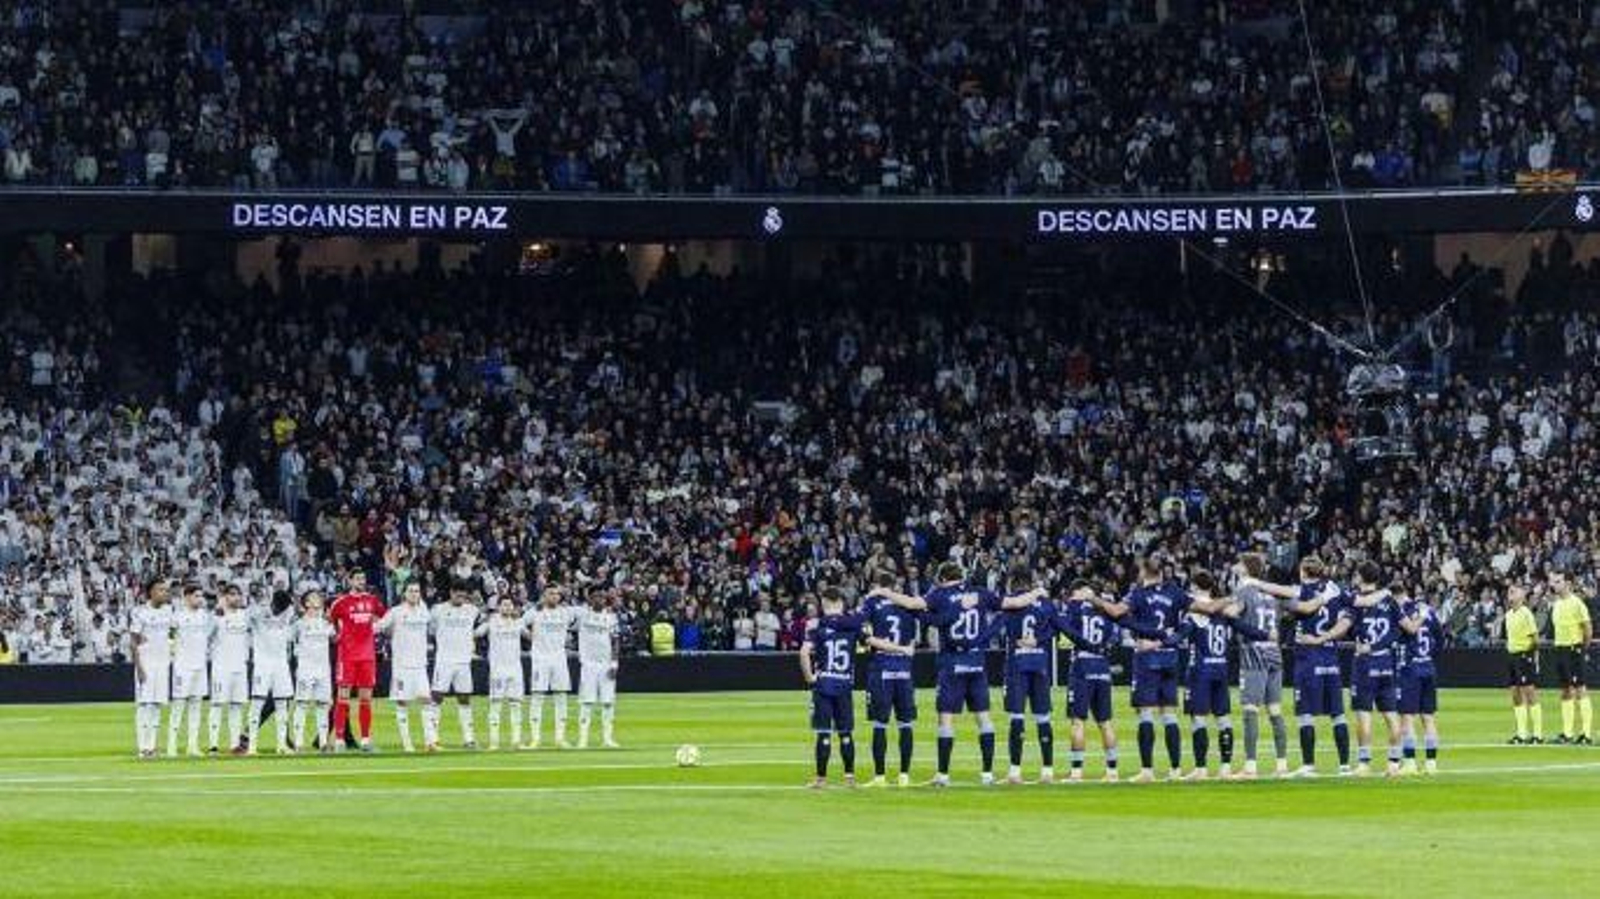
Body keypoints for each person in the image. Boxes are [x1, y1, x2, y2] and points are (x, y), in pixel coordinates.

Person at [869, 562, 1047, 787]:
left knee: (946, 718)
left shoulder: (940, 595)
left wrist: (885, 592)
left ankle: (943, 775)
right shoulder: (980, 593)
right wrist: (1037, 592)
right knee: (983, 718)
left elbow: (913, 603)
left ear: (943, 577)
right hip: (976, 662)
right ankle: (987, 775)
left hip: (952, 662)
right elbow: (1014, 602)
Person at [1098, 557, 1235, 782]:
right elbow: (1210, 607)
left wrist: (1094, 599)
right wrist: (1232, 596)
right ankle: (1175, 770)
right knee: (1169, 715)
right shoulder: (1176, 592)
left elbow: (1115, 612)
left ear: (1144, 572)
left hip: (1146, 656)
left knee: (1146, 714)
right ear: (1162, 572)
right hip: (1170, 659)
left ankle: (1147, 771)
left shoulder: (1138, 594)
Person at [1244, 557, 1353, 777]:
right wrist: (1325, 637)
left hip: (1307, 657)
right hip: (1331, 657)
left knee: (1305, 713)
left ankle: (1308, 765)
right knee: (1338, 714)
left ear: (1303, 571)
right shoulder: (1334, 593)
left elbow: (1279, 589)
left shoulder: (1300, 591)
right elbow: (1345, 623)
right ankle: (1344, 766)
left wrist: (1255, 582)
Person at [1167, 572, 1271, 780]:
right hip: (1221, 669)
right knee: (1223, 719)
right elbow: (1244, 628)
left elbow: (1180, 637)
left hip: (1200, 671)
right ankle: (1225, 767)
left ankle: (1201, 769)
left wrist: (1161, 640)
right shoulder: (1223, 611)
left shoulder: (1195, 612)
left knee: (1199, 719)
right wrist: (1267, 635)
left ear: (1195, 587)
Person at [987, 573, 1062, 784]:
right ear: (1030, 585)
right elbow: (1057, 628)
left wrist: (975, 641)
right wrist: (1039, 639)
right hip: (1039, 664)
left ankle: (1014, 772)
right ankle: (1047, 771)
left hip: (1016, 665)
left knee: (1017, 717)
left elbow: (994, 629)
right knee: (1043, 717)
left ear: (1013, 584)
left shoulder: (1011, 604)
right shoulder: (1045, 604)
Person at [1340, 562, 1409, 777]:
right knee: (1391, 715)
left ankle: (1363, 763)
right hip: (1387, 663)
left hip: (1365, 662)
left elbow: (1346, 627)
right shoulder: (1389, 600)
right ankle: (1394, 763)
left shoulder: (1357, 601)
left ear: (1361, 577)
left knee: (1364, 715)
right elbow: (1403, 629)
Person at [1054, 581, 1121, 782]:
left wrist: (1075, 602)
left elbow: (1067, 629)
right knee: (1105, 722)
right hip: (1102, 665)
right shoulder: (1105, 609)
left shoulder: (1075, 608)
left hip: (1082, 665)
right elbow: (1113, 637)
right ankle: (1112, 772)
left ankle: (1076, 772)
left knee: (1077, 721)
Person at [799, 586, 865, 788]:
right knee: (845, 733)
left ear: (825, 602)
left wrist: (810, 678)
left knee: (824, 732)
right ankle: (850, 778)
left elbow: (803, 653)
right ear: (842, 602)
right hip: (845, 683)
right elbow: (866, 644)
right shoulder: (853, 625)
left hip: (824, 683)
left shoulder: (816, 625)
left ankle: (821, 779)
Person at [1233, 554, 1290, 779]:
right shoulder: (1271, 594)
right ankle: (1282, 765)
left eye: (1239, 563)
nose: (1236, 566)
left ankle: (1250, 767)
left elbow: (1233, 613)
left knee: (1250, 709)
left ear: (1246, 568)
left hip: (1253, 652)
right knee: (1275, 709)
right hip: (1273, 652)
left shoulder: (1243, 591)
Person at [860, 570, 919, 787]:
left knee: (880, 724)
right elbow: (913, 639)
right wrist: (904, 649)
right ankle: (904, 775)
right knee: (905, 723)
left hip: (882, 667)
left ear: (876, 585)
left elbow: (866, 637)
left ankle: (880, 776)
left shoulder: (871, 604)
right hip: (904, 669)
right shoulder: (906, 605)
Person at [328, 570, 385, 753]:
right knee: (343, 698)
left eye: (363, 578)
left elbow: (384, 617)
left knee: (365, 700)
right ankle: (339, 740)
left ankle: (366, 740)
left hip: (367, 657)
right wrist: (336, 636)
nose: (362, 581)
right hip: (347, 656)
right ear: (350, 580)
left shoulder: (372, 600)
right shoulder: (340, 603)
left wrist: (375, 631)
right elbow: (329, 621)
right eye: (358, 578)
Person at [378, 583, 436, 753]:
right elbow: (380, 626)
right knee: (402, 703)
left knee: (426, 700)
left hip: (420, 665)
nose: (414, 594)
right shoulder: (396, 612)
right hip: (402, 666)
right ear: (404, 593)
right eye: (411, 591)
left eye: (417, 591)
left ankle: (430, 741)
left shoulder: (424, 612)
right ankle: (407, 743)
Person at [523, 587, 578, 749]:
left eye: (556, 594)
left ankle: (560, 738)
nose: (554, 596)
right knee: (537, 697)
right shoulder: (534, 612)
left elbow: (582, 618)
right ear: (544, 596)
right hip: (540, 659)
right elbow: (519, 624)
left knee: (561, 696)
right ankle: (535, 739)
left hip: (559, 659)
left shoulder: (566, 612)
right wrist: (529, 636)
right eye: (550, 594)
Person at [430, 581, 481, 749]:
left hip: (464, 662)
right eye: (457, 594)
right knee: (437, 697)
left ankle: (469, 738)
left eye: (463, 595)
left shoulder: (472, 611)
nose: (460, 598)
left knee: (464, 698)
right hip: (444, 660)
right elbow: (430, 630)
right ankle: (433, 737)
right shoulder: (438, 610)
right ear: (451, 593)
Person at [1398, 588, 1443, 774]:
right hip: (1428, 667)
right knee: (1428, 717)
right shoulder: (1429, 612)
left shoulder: (1400, 612)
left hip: (1410, 669)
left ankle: (1410, 762)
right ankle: (1431, 763)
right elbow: (1440, 639)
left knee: (1407, 717)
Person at [247, 590, 296, 755]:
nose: (281, 611)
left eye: (284, 608)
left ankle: (282, 745)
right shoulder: (259, 612)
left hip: (281, 663)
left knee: (282, 703)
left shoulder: (288, 611)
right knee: (257, 703)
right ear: (273, 603)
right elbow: (247, 616)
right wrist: (261, 605)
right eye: (279, 607)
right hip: (262, 664)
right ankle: (251, 746)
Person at [130, 579, 174, 759]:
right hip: (146, 663)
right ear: (151, 592)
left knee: (157, 705)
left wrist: (171, 652)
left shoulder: (169, 611)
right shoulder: (140, 612)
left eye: (166, 590)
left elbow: (172, 634)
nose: (165, 593)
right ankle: (142, 747)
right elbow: (133, 641)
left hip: (162, 663)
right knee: (144, 705)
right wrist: (139, 667)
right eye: (160, 590)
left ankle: (152, 746)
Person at [1547, 571, 1593, 745]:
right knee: (1566, 690)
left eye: (1558, 581)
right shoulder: (1557, 604)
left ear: (1567, 583)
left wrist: (1582, 648)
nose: (1554, 585)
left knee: (1580, 689)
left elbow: (1587, 628)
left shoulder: (1577, 603)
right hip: (1560, 649)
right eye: (1553, 581)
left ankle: (1586, 734)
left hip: (1574, 648)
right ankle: (1567, 733)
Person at [169, 585, 214, 757]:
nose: (200, 599)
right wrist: (173, 654)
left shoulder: (205, 616)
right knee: (178, 706)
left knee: (196, 706)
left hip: (200, 666)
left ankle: (192, 745)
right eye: (197, 596)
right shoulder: (177, 616)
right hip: (182, 666)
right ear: (186, 597)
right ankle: (171, 746)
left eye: (201, 596)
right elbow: (170, 637)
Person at [479, 597, 530, 750]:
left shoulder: (518, 623)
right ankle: (494, 742)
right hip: (497, 670)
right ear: (498, 607)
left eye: (510, 605)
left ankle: (516, 741)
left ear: (513, 607)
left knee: (516, 704)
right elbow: (476, 632)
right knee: (495, 704)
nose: (507, 607)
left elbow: (531, 636)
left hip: (515, 669)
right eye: (504, 605)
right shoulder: (491, 622)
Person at [575, 587, 621, 749]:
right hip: (588, 665)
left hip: (606, 664)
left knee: (608, 702)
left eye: (602, 597)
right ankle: (583, 739)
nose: (600, 600)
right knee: (586, 702)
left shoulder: (611, 618)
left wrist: (615, 663)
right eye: (596, 597)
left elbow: (615, 640)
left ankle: (607, 738)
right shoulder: (582, 615)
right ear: (590, 599)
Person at [208, 585, 253, 755]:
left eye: (238, 594)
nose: (236, 598)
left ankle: (235, 745)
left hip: (240, 667)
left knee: (237, 706)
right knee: (217, 705)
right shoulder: (216, 617)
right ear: (224, 597)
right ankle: (213, 745)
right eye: (232, 594)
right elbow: (206, 636)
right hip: (221, 667)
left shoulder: (245, 616)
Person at [290, 591, 335, 753]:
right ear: (306, 603)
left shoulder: (326, 624)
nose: (319, 599)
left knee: (323, 705)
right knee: (302, 704)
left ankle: (323, 742)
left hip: (323, 669)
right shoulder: (299, 624)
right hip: (305, 669)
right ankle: (299, 743)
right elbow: (289, 640)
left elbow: (335, 638)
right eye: (314, 597)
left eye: (319, 597)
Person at [1505, 584, 1543, 744]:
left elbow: (1535, 638)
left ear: (1522, 595)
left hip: (1524, 654)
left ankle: (1538, 734)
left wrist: (1532, 656)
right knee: (1515, 693)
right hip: (1512, 655)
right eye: (1509, 591)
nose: (1510, 593)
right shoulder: (1508, 615)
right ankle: (1521, 733)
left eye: (1514, 591)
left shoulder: (1526, 613)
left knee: (1529, 692)